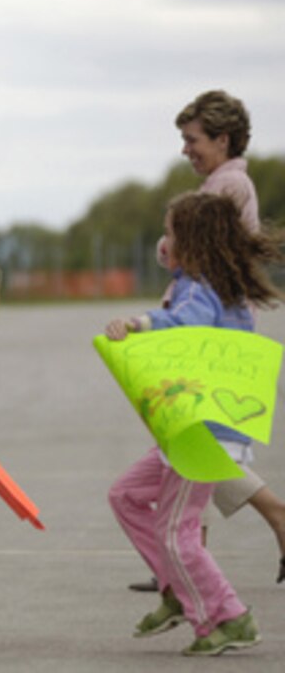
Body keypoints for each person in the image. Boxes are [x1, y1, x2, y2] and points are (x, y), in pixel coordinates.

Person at [106, 191, 284, 656]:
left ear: (192, 241)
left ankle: (226, 617)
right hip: (188, 429)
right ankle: (176, 589)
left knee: (174, 532)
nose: (164, 242)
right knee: (125, 495)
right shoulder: (215, 285)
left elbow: (186, 323)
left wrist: (139, 322)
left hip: (204, 434)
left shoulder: (200, 289)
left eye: (170, 233)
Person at [130, 90, 285, 591]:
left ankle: (274, 521)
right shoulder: (225, 181)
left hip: (209, 327)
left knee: (202, 450)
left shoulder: (230, 185)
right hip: (207, 320)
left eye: (192, 139)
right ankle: (186, 556)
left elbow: (207, 252)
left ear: (222, 138)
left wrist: (169, 249)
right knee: (191, 446)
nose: (185, 150)